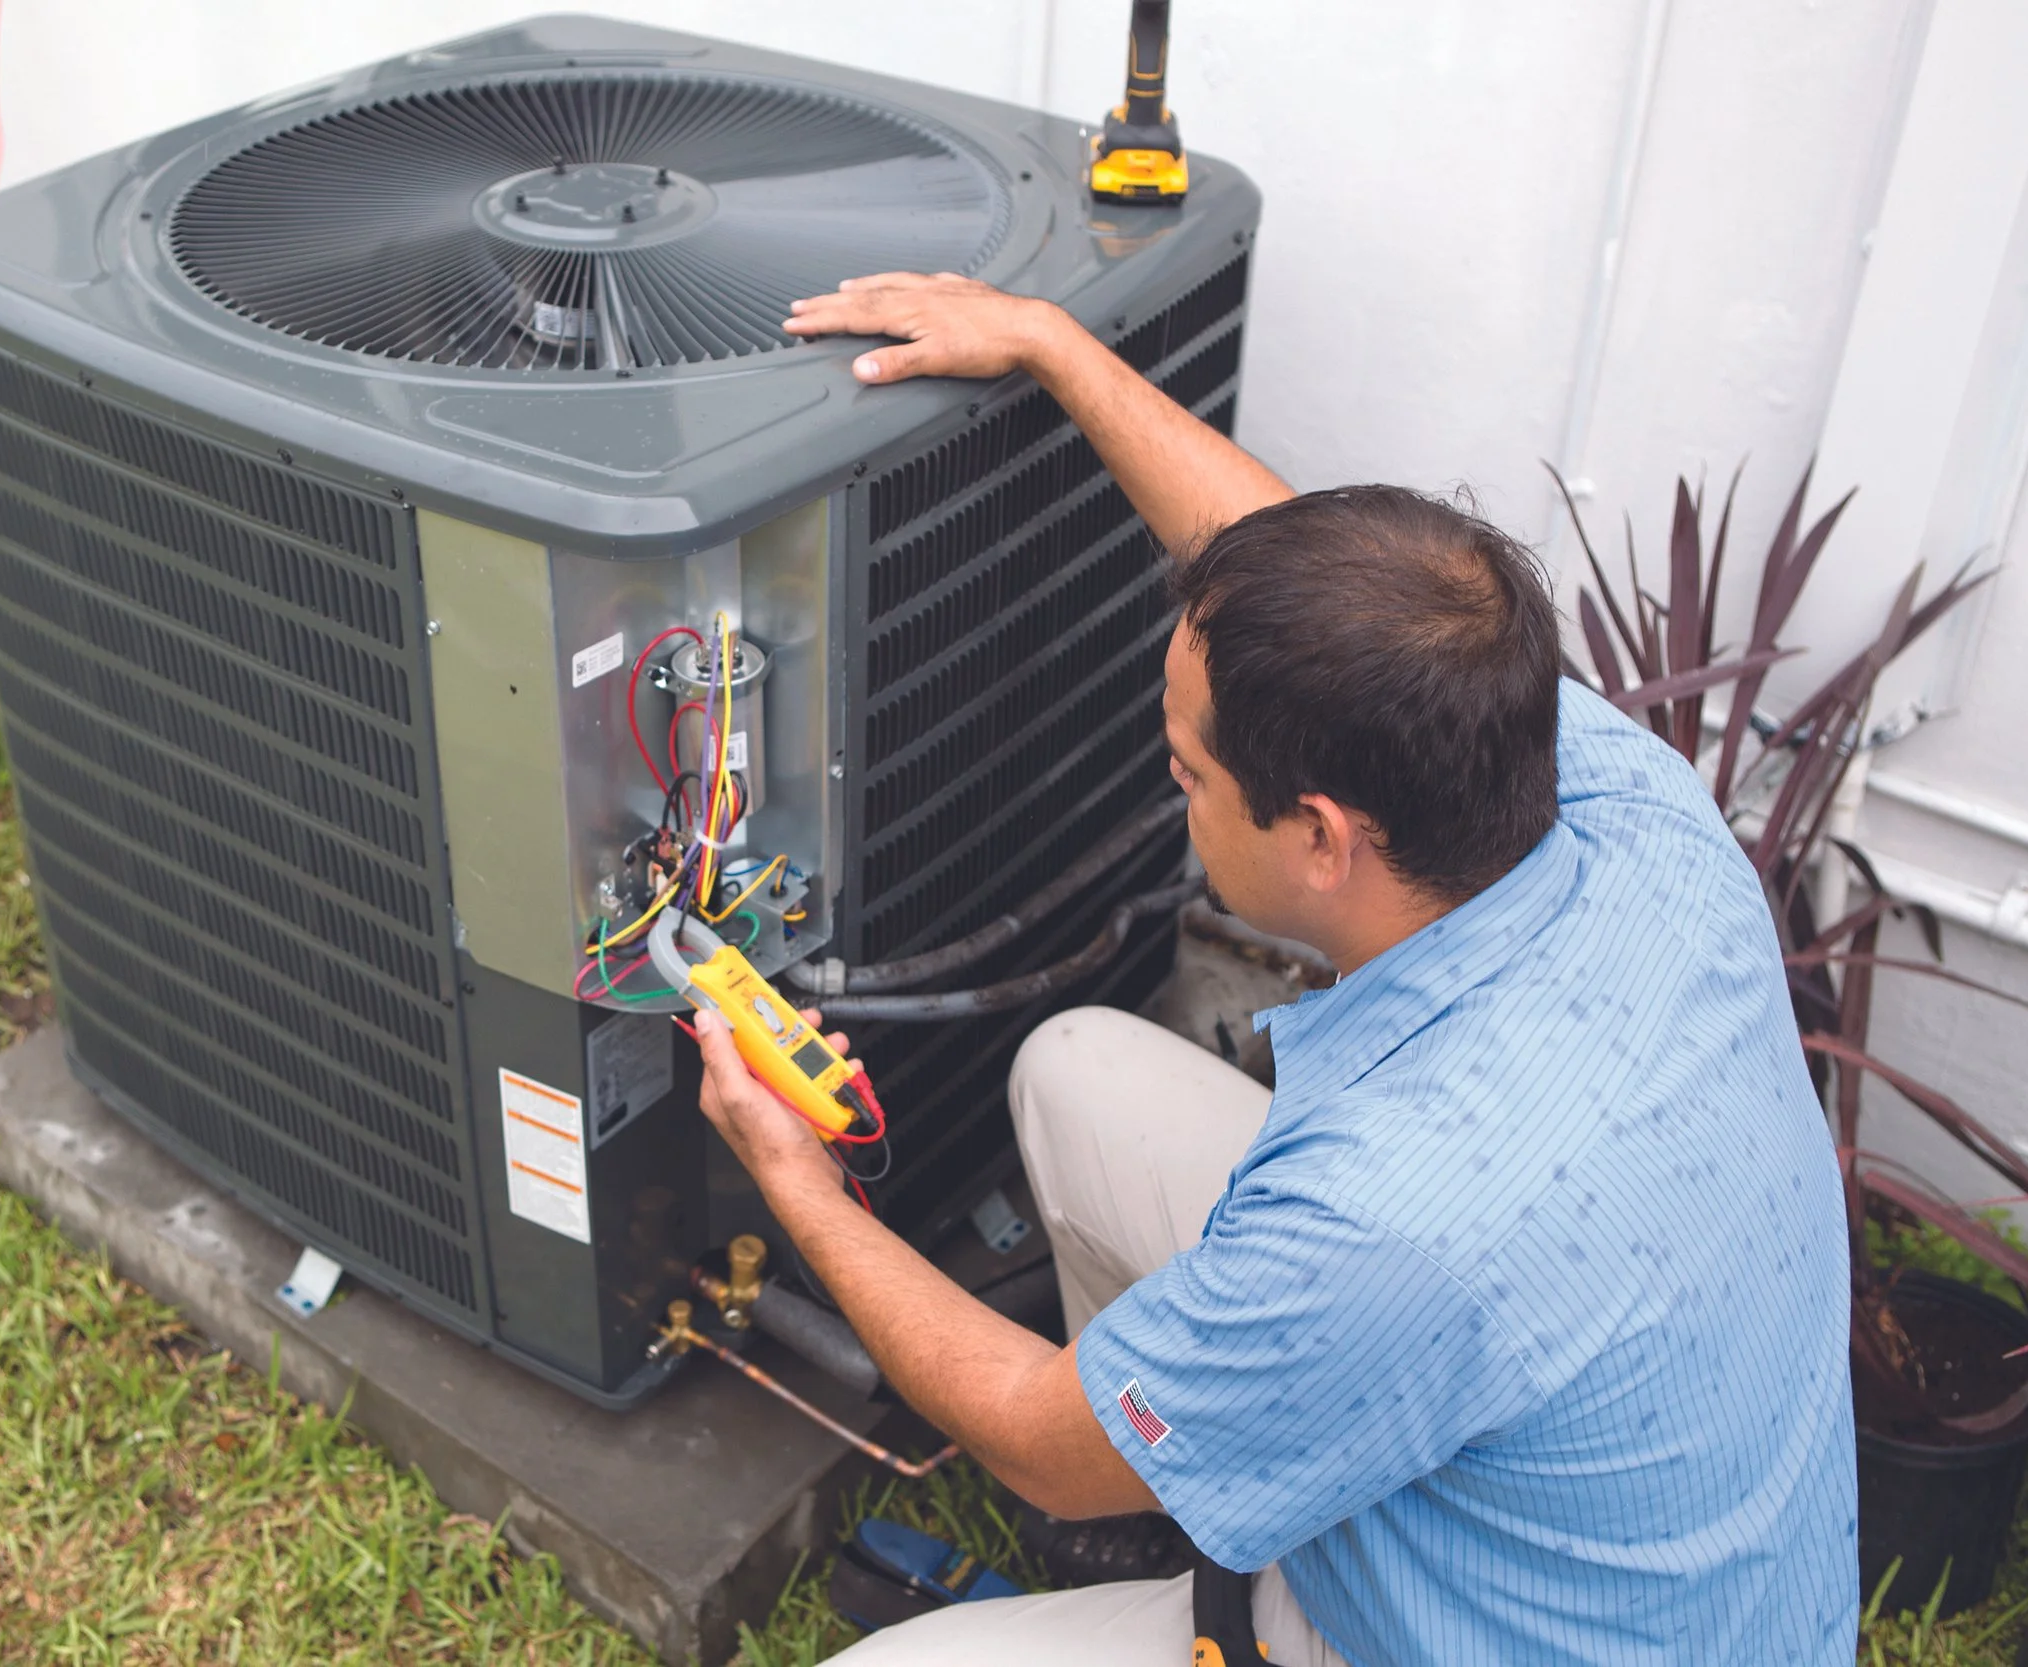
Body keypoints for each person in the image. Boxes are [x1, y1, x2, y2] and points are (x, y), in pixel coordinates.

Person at [683, 274, 1858, 1664]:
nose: (1168, 784)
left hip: (1474, 1634)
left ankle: (1226, 1571)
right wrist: (1055, 346)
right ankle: (1196, 1488)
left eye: (1186, 770)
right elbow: (1272, 564)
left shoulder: (1390, 1221)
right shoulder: (1617, 800)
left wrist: (797, 1183)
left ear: (1319, 836)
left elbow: (1038, 1438)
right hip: (1626, 1504)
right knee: (1075, 1071)